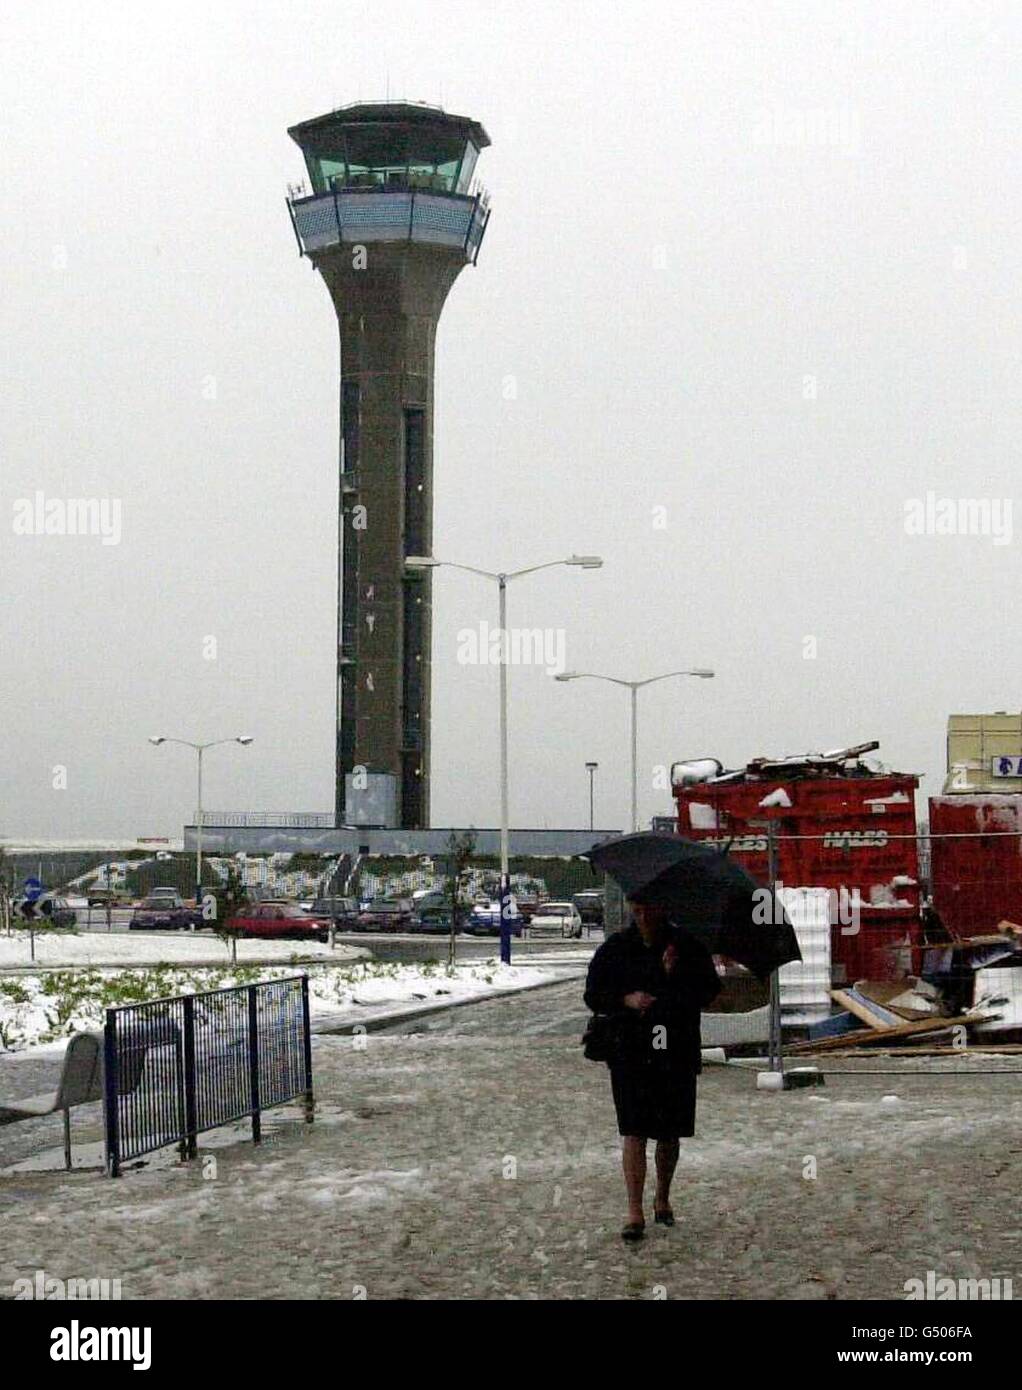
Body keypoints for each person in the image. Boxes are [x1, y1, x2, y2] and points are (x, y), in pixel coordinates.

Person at [584, 890, 721, 1242]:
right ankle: (634, 1211)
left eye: (650, 909)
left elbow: (708, 992)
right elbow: (593, 993)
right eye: (638, 909)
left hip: (675, 1049)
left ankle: (662, 1197)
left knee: (669, 1131)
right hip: (630, 1050)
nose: (643, 916)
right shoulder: (616, 948)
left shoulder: (686, 946)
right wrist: (626, 998)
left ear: (664, 908)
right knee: (634, 1129)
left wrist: (676, 975)